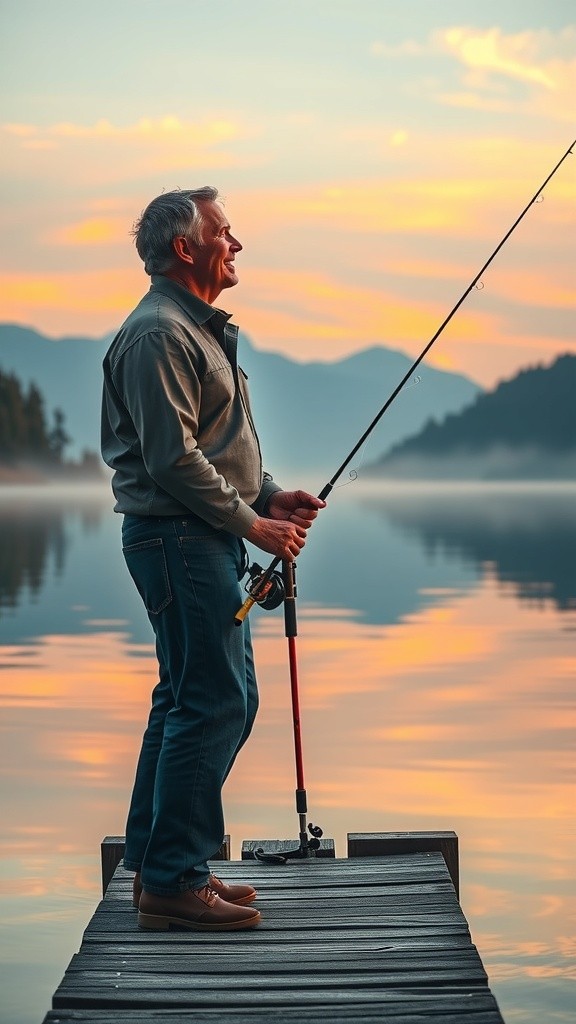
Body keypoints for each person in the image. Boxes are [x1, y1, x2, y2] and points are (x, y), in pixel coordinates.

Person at [101, 187, 324, 932]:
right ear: (185, 248)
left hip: (197, 535)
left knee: (187, 698)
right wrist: (255, 528)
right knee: (217, 702)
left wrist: (268, 495)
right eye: (226, 233)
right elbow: (171, 460)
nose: (238, 245)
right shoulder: (160, 333)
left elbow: (213, 448)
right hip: (178, 539)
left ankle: (158, 869)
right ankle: (173, 879)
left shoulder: (194, 331)